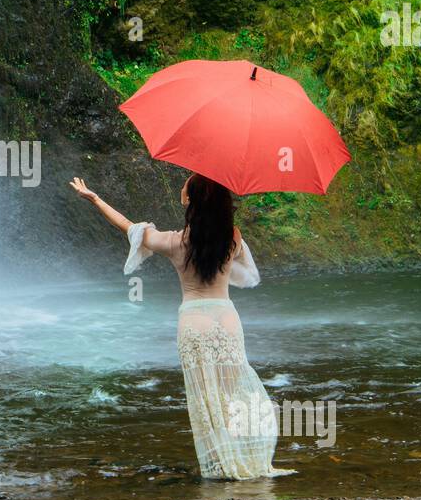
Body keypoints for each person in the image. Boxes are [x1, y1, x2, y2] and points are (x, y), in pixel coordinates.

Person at [69, 172, 285, 479]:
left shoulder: (175, 242)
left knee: (206, 397)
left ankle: (221, 463)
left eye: (186, 185)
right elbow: (242, 270)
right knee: (232, 390)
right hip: (226, 317)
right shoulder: (233, 237)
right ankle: (243, 457)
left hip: (194, 320)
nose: (181, 187)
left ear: (191, 199)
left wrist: (95, 199)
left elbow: (129, 229)